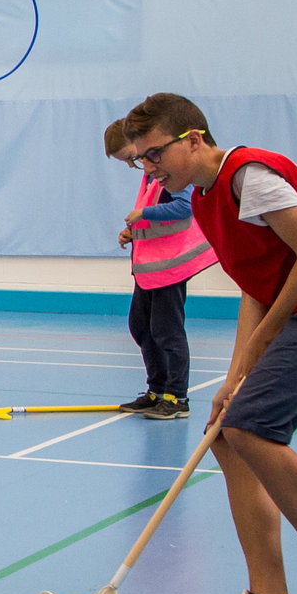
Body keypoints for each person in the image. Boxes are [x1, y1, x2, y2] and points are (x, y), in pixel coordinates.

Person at [119, 93, 297, 594]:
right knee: (228, 435)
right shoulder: (205, 197)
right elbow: (256, 283)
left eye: (154, 154)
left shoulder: (249, 176)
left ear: (193, 139)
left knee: (252, 426)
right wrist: (235, 372)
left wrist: (261, 347)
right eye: (140, 160)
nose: (149, 168)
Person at [106, 116, 212, 420]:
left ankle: (176, 396)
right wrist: (133, 230)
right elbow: (155, 220)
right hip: (148, 268)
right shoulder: (148, 177)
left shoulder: (166, 173)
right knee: (141, 328)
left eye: (130, 157)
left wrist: (144, 212)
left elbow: (185, 207)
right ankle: (156, 390)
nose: (132, 164)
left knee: (167, 332)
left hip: (169, 269)